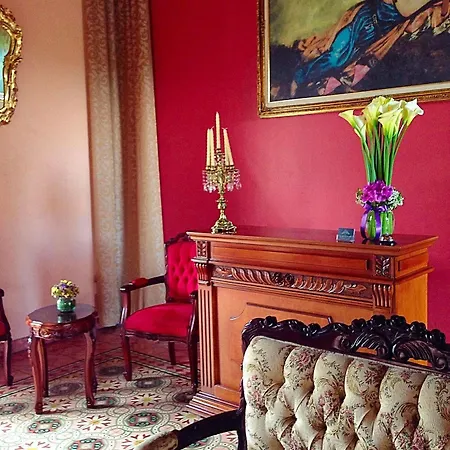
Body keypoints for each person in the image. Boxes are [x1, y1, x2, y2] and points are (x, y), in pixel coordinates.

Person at [289, 0, 449, 97]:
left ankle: (305, 80)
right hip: (364, 18)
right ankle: (299, 78)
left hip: (375, 33)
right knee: (336, 58)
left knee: (344, 63)